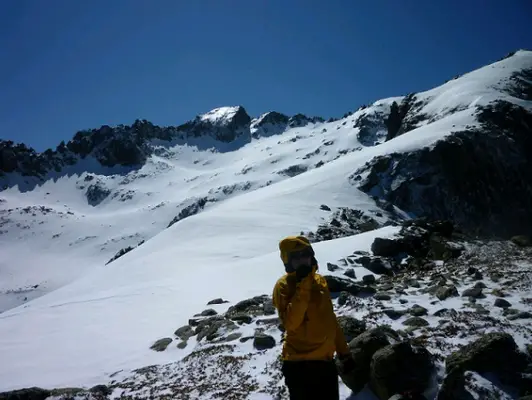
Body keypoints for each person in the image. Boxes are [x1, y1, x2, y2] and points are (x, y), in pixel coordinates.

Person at [272, 235, 355, 400]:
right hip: (299, 366)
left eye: (305, 253)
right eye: (296, 256)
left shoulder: (320, 282)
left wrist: (344, 353)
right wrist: (303, 286)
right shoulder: (283, 286)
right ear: (288, 261)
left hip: (325, 362)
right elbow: (291, 323)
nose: (302, 259)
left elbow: (330, 320)